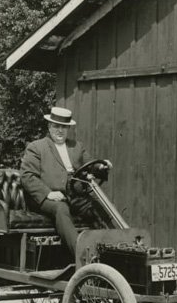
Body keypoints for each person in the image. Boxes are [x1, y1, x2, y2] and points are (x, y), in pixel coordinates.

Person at [20, 107, 110, 256]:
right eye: (56, 126)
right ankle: (82, 256)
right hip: (47, 199)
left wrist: (101, 166)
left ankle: (110, 252)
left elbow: (91, 165)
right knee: (61, 209)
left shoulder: (76, 146)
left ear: (68, 128)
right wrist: (48, 193)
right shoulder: (36, 147)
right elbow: (27, 176)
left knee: (96, 207)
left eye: (64, 127)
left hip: (74, 196)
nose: (60, 130)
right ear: (49, 126)